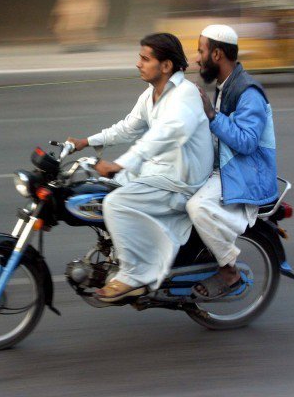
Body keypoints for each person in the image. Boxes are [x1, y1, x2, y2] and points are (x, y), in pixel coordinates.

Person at [66, 33, 213, 302]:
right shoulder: (151, 95)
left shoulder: (185, 95)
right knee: (99, 189)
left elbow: (163, 136)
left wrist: (120, 164)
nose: (138, 64)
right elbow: (128, 128)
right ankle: (120, 255)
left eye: (145, 59)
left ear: (166, 65)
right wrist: (86, 142)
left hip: (181, 181)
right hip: (160, 171)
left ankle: (136, 276)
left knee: (115, 203)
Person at [186, 24, 278, 300]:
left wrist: (212, 115)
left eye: (201, 50)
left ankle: (229, 271)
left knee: (197, 206)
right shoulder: (226, 85)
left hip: (248, 173)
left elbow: (247, 142)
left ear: (216, 54)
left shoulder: (248, 91)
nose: (198, 57)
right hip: (228, 165)